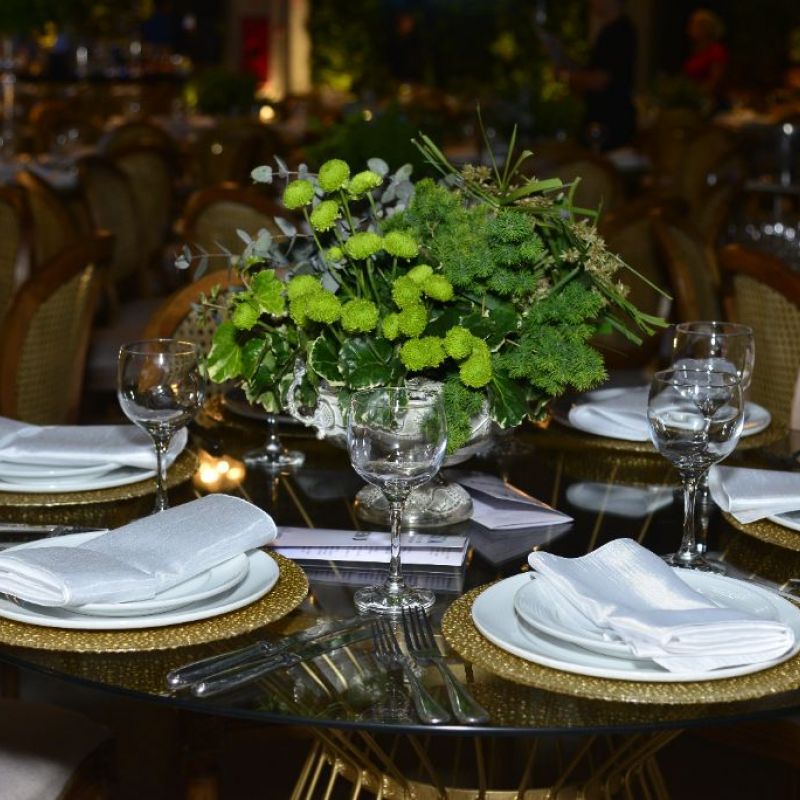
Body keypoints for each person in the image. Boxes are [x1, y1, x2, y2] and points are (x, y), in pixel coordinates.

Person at [541, 0, 637, 151]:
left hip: (609, 123)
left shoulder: (617, 32)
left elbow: (599, 80)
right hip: (606, 121)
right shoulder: (613, 31)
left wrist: (565, 77)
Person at [683, 9, 728, 111]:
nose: (690, 27)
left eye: (695, 24)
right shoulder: (695, 51)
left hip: (709, 104)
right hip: (693, 102)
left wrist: (694, 94)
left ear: (706, 28)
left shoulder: (716, 51)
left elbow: (715, 82)